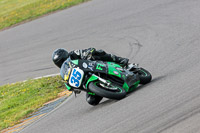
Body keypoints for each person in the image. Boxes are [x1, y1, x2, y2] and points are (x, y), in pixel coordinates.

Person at [52, 48, 129, 105]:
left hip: (94, 66)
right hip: (87, 81)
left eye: (63, 60)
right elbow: (68, 85)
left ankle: (119, 60)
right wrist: (72, 87)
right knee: (91, 100)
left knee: (99, 53)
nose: (62, 63)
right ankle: (108, 89)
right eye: (59, 63)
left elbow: (88, 50)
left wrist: (89, 53)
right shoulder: (65, 72)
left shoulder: (74, 54)